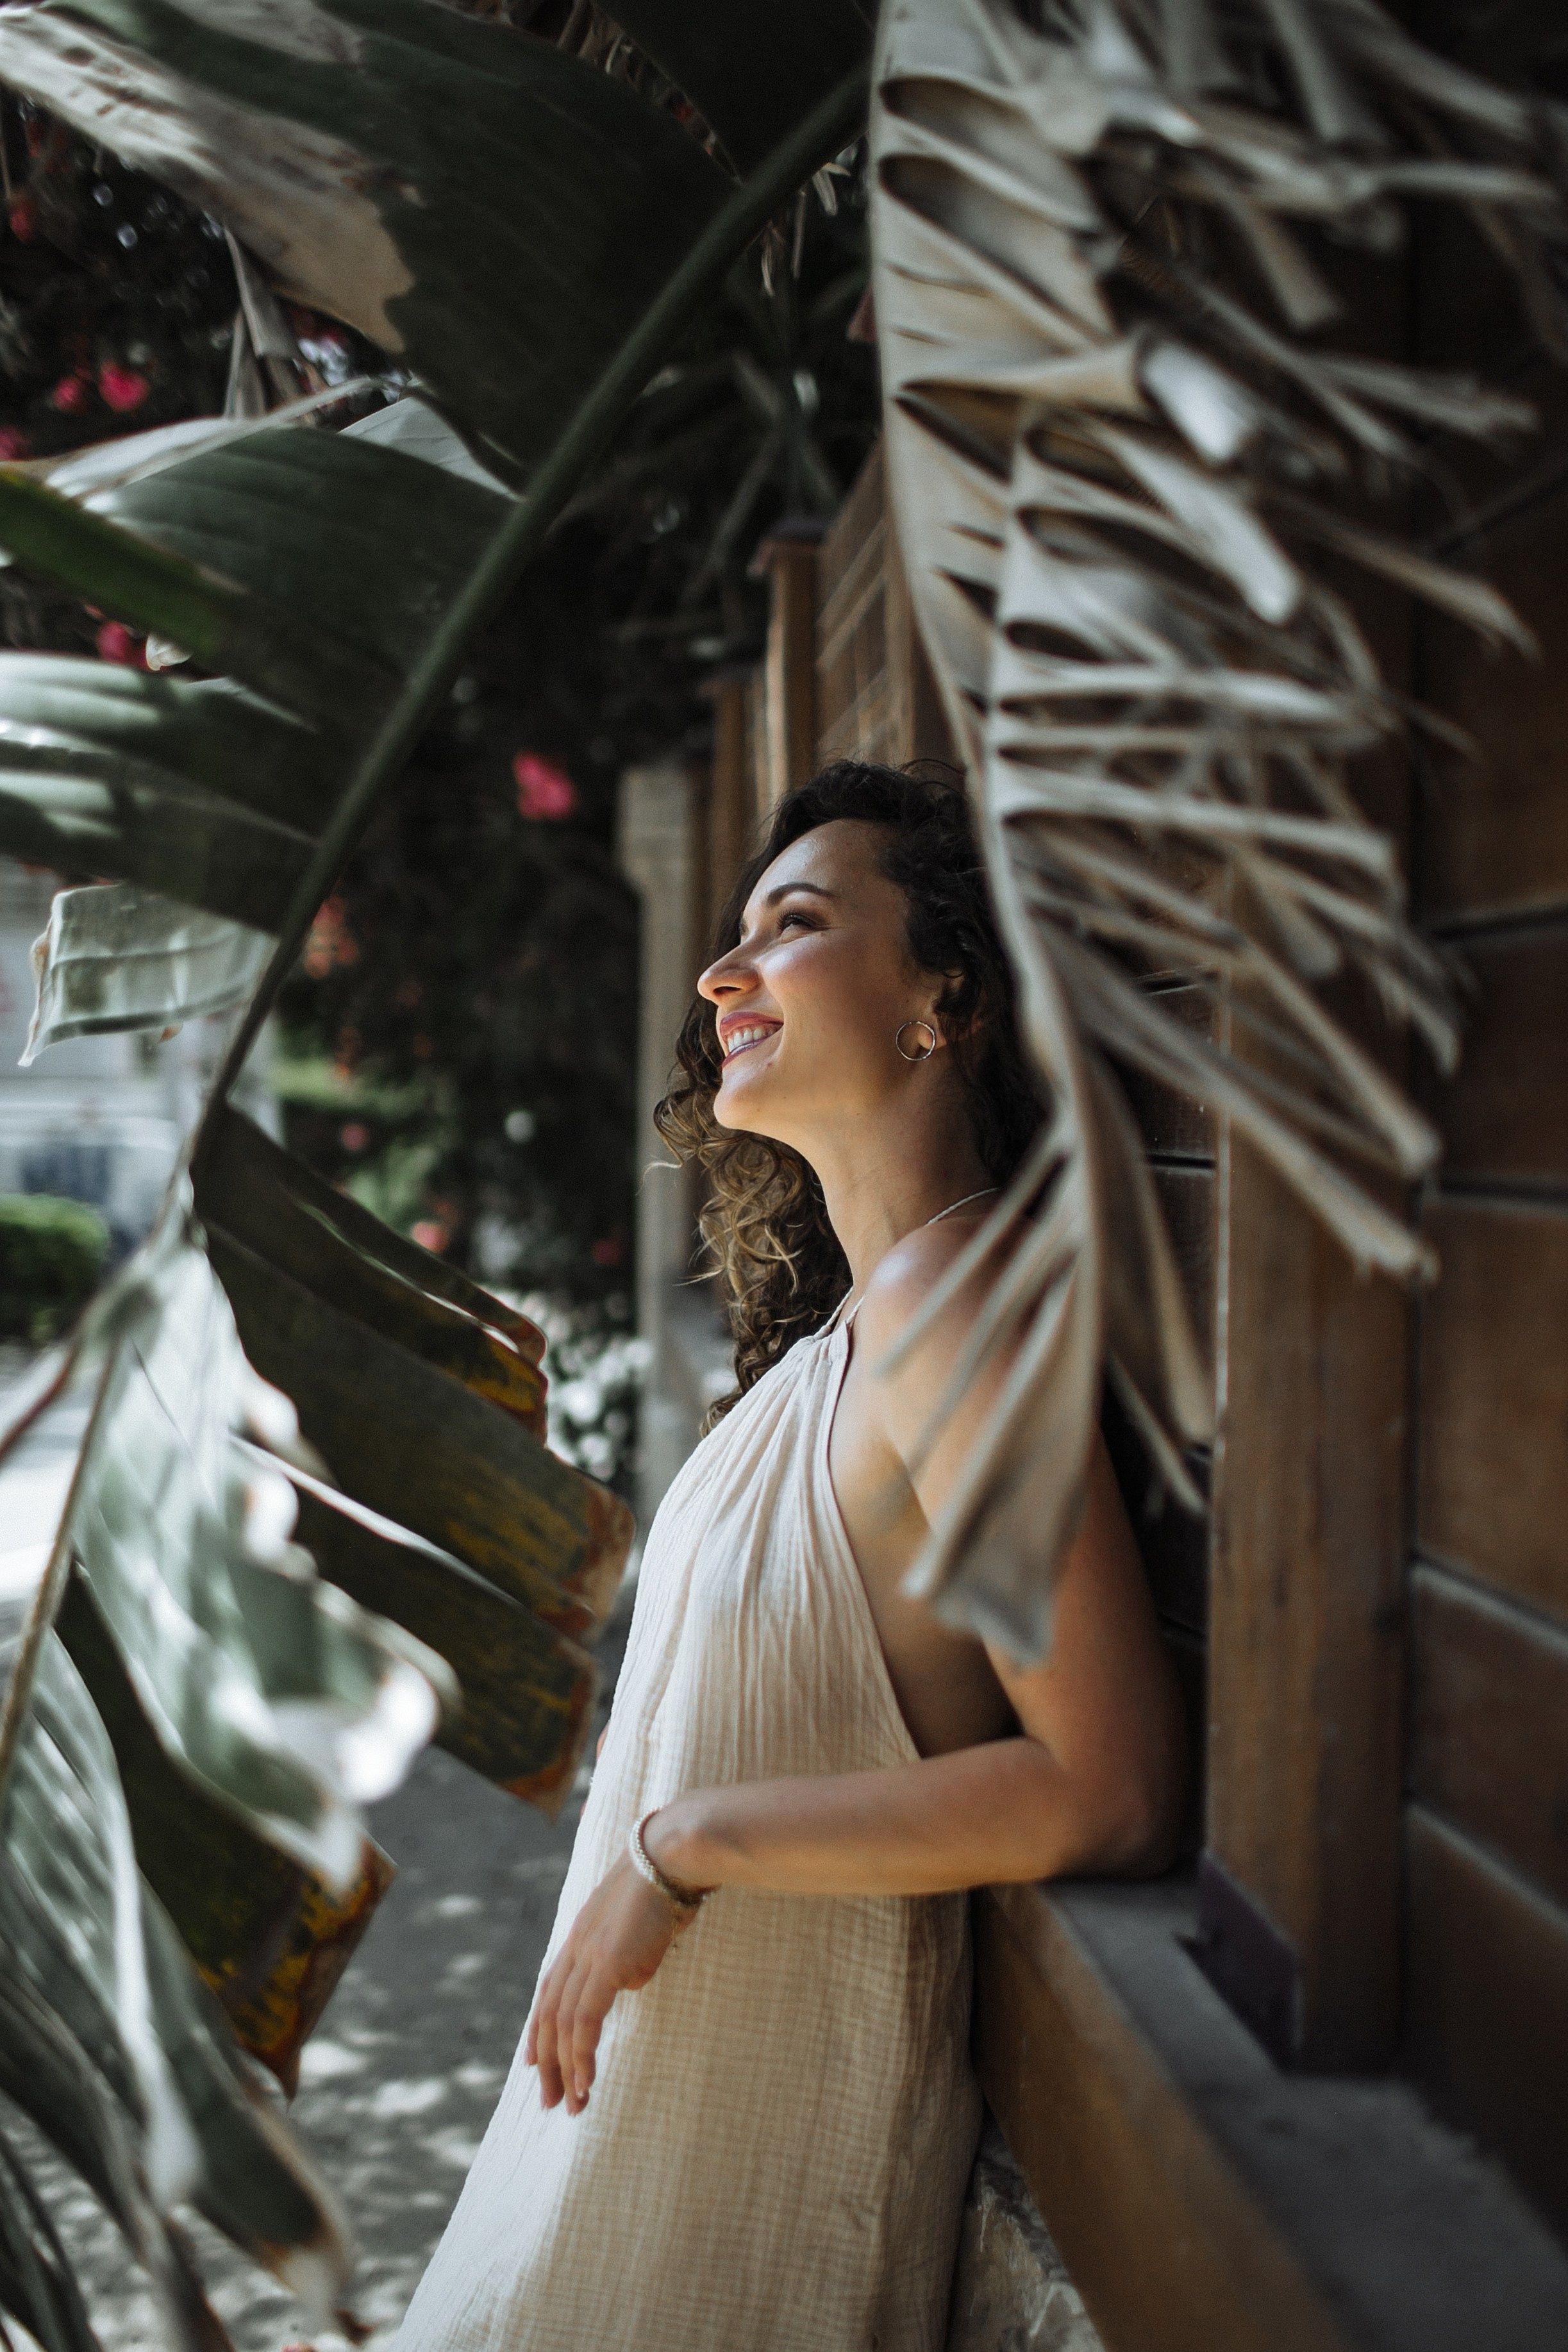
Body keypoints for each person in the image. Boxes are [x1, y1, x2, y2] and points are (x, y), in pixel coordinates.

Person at [392, 763, 1187, 2352]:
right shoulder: (860, 1326)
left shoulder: (948, 1309)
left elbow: (1109, 1783)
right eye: (735, 930)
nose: (719, 971)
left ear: (937, 999)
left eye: (797, 923)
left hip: (732, 2232)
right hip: (623, 2189)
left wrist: (682, 1844)